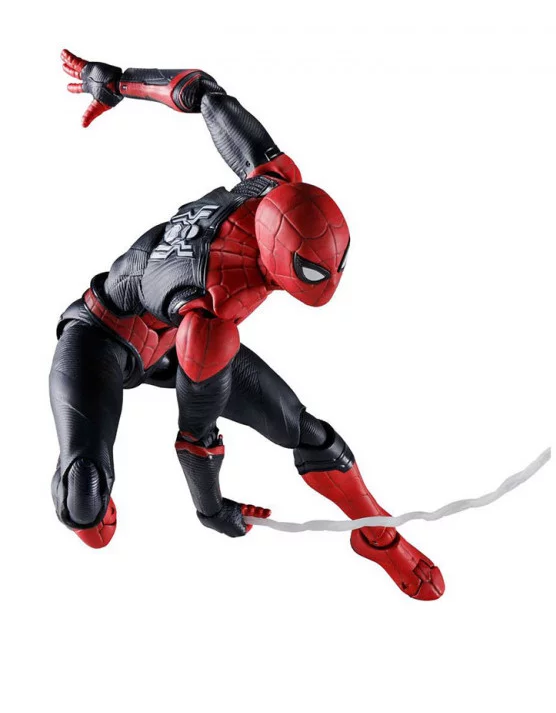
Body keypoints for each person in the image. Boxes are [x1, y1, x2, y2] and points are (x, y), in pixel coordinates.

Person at [50, 49, 444, 600]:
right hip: (101, 337)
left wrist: (117, 83)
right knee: (85, 500)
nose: (329, 283)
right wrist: (212, 510)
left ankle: (377, 536)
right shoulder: (217, 305)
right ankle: (87, 497)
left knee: (313, 436)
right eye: (312, 273)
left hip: (173, 337)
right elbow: (194, 437)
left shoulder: (271, 179)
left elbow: (201, 90)